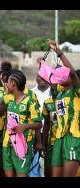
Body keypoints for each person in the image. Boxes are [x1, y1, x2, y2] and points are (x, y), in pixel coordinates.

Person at [46, 40, 80, 177]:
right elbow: (48, 77)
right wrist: (43, 63)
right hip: (59, 138)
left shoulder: (76, 92)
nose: (61, 74)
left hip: (73, 137)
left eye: (63, 73)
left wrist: (59, 52)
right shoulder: (59, 94)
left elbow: (71, 72)